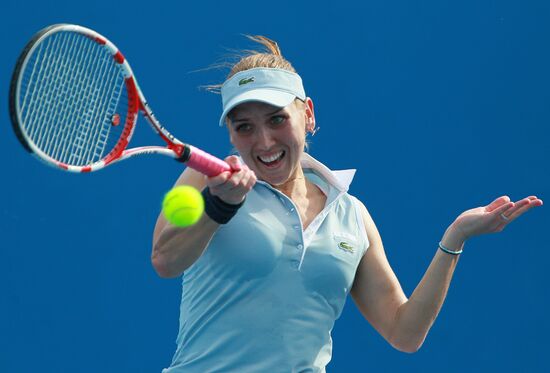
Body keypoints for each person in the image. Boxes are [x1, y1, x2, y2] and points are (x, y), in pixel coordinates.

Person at [152, 36, 543, 372]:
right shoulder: (207, 180)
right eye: (244, 127)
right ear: (231, 135)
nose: (264, 142)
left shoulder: (350, 214)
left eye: (276, 120)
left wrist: (455, 238)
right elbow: (165, 261)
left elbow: (404, 332)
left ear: (307, 113)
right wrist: (217, 207)